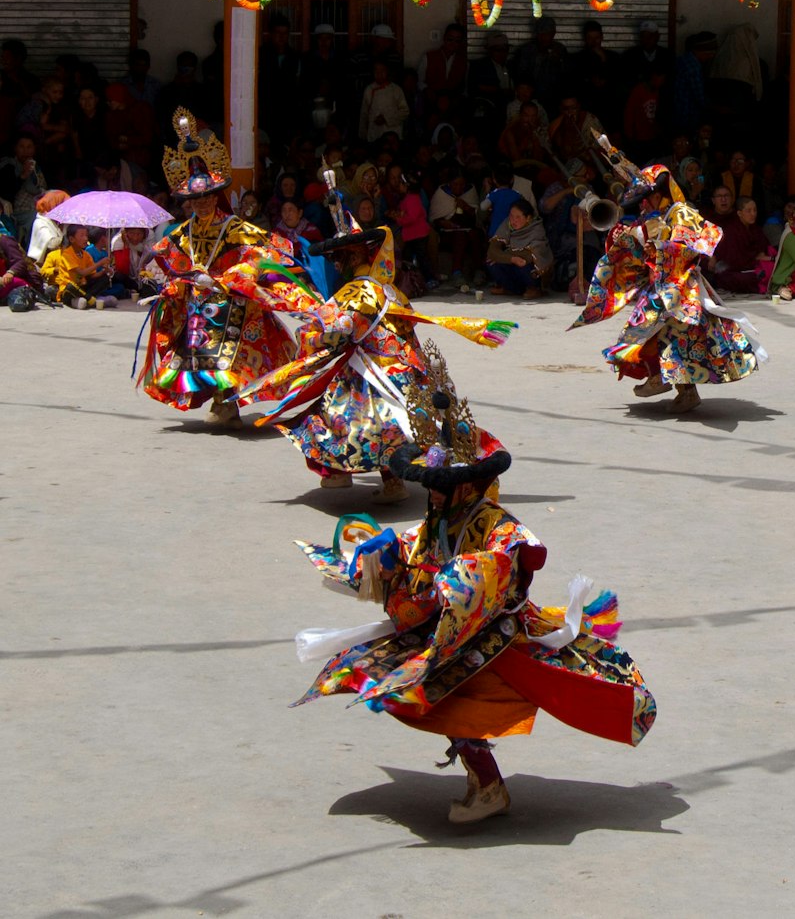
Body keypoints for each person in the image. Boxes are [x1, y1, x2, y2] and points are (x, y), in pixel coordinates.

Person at [290, 367, 655, 825]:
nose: (435, 497)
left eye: (442, 488)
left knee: (454, 702)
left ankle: (488, 786)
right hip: (452, 628)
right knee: (432, 697)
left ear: (467, 486)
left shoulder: (499, 526)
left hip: (494, 635)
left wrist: (450, 579)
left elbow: (505, 566)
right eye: (432, 489)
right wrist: (386, 552)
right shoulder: (440, 519)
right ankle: (485, 782)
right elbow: (418, 544)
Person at [253, 185, 513, 501]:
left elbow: (339, 331)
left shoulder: (356, 292)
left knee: (343, 420)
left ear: (352, 258)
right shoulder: (390, 291)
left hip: (372, 374)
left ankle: (350, 474)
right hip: (404, 369)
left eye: (340, 258)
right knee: (394, 425)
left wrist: (308, 334)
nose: (336, 265)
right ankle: (388, 480)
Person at [138, 111, 318, 427]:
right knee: (194, 345)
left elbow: (262, 255)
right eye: (196, 198)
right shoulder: (182, 232)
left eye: (207, 196)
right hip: (197, 301)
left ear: (215, 195)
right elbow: (165, 261)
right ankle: (224, 404)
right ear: (188, 202)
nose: (202, 203)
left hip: (231, 298)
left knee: (227, 343)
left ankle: (227, 404)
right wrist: (162, 280)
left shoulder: (234, 227)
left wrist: (225, 280)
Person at [571, 139, 766, 413]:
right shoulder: (652, 215)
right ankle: (671, 383)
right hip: (662, 285)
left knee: (677, 337)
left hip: (682, 287)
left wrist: (658, 243)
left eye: (647, 197)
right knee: (661, 334)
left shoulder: (681, 212)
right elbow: (640, 249)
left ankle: (670, 383)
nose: (644, 203)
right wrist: (628, 238)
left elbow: (690, 246)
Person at [485, 197, 552, 297]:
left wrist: (504, 256)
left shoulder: (536, 229)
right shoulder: (507, 224)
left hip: (530, 269)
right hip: (515, 262)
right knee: (491, 263)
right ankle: (511, 289)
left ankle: (534, 289)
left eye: (518, 217)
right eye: (511, 216)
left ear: (528, 218)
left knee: (524, 266)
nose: (513, 220)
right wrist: (512, 259)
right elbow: (492, 250)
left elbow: (530, 255)